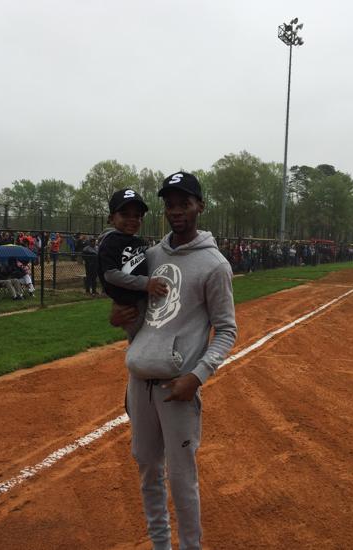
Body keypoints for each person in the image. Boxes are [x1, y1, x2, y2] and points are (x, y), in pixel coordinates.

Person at [111, 172, 237, 550]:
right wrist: (121, 321)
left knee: (182, 480)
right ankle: (160, 545)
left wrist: (197, 376)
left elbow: (226, 330)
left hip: (176, 387)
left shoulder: (214, 265)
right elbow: (142, 319)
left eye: (185, 203)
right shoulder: (151, 256)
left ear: (200, 206)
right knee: (148, 471)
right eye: (170, 204)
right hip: (140, 382)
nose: (177, 210)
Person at [98, 188, 167, 338]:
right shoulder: (110, 242)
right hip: (130, 304)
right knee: (142, 339)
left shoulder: (139, 241)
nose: (132, 219)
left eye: (137, 216)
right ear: (111, 218)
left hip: (145, 297)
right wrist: (146, 284)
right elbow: (110, 275)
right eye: (125, 214)